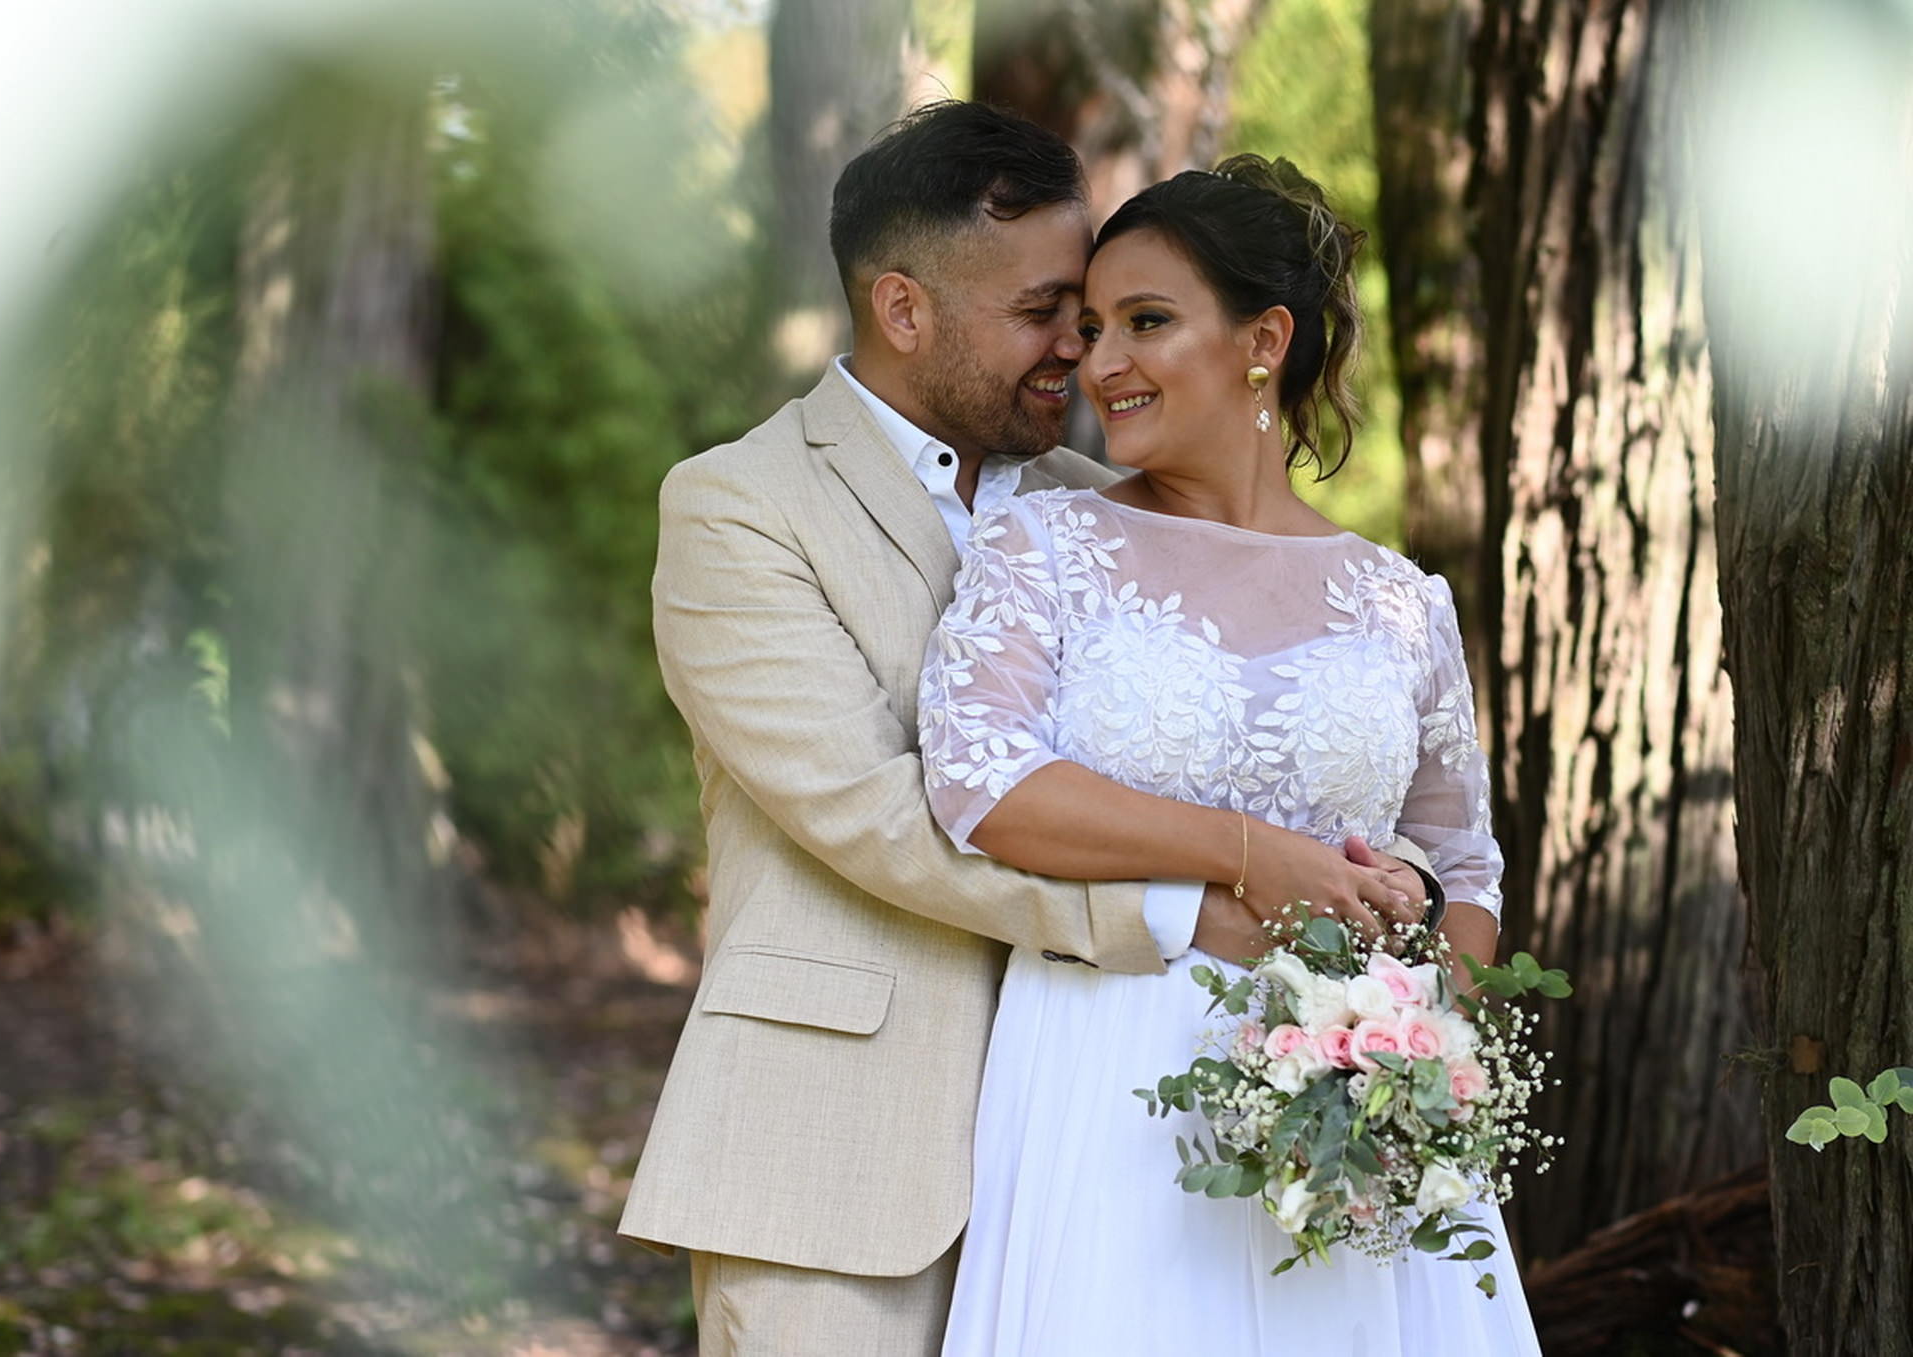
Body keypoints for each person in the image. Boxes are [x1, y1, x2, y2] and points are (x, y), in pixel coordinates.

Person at [622, 103, 1439, 1357]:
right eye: (1047, 310)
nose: (1082, 349)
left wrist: (1379, 879)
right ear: (905, 311)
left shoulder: (1097, 509)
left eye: (1104, 315)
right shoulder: (740, 509)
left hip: (1107, 1165)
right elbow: (877, 814)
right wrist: (1180, 908)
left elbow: (1259, 723)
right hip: (840, 1165)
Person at [919, 153, 1540, 1354]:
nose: (1101, 363)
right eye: (1092, 327)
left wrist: (1426, 1074)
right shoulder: (1043, 545)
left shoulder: (1401, 601)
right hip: (1106, 1079)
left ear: (1265, 339)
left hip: (1351, 1109)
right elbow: (982, 785)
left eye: (1146, 321)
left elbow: (1466, 869)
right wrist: (1260, 856)